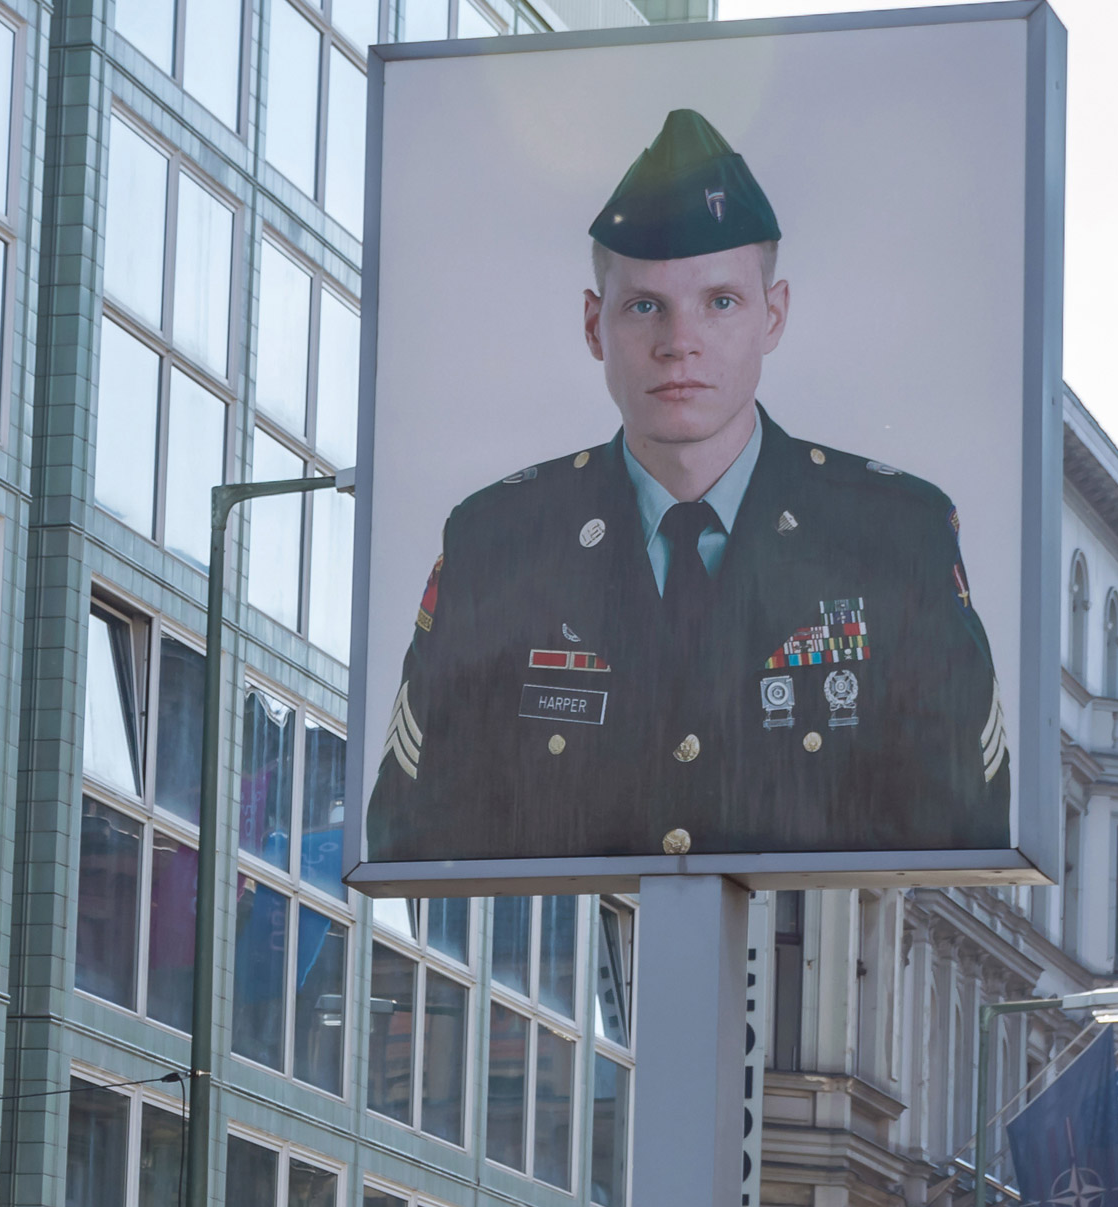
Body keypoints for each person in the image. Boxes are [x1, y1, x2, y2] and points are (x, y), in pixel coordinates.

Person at [362, 108, 1008, 871]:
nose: (679, 342)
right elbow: (413, 835)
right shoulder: (499, 543)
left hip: (815, 978)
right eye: (646, 307)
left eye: (720, 302)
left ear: (774, 315)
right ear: (595, 325)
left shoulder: (894, 537)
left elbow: (967, 822)